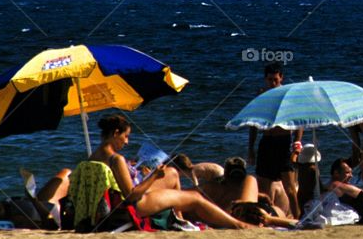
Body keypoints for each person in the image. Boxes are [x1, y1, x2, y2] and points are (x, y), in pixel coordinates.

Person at [89, 114, 255, 229]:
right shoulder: (116, 159)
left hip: (111, 204)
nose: (127, 142)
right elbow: (132, 196)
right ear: (115, 133)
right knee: (196, 198)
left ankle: (179, 219)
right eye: (125, 136)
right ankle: (238, 224)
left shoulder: (93, 157)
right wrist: (153, 176)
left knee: (173, 173)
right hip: (132, 207)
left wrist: (132, 168)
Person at [247, 62, 303, 219]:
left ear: (281, 78)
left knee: (290, 188)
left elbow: (299, 121)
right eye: (270, 79)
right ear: (265, 79)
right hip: (266, 143)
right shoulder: (261, 95)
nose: (273, 83)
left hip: (283, 142)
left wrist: (297, 145)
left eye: (276, 80)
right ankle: (268, 218)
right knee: (265, 189)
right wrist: (250, 148)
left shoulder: (288, 95)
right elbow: (254, 123)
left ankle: (298, 218)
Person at [295, 143, 322, 216]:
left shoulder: (300, 167)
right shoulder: (314, 169)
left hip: (300, 196)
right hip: (311, 197)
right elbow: (319, 186)